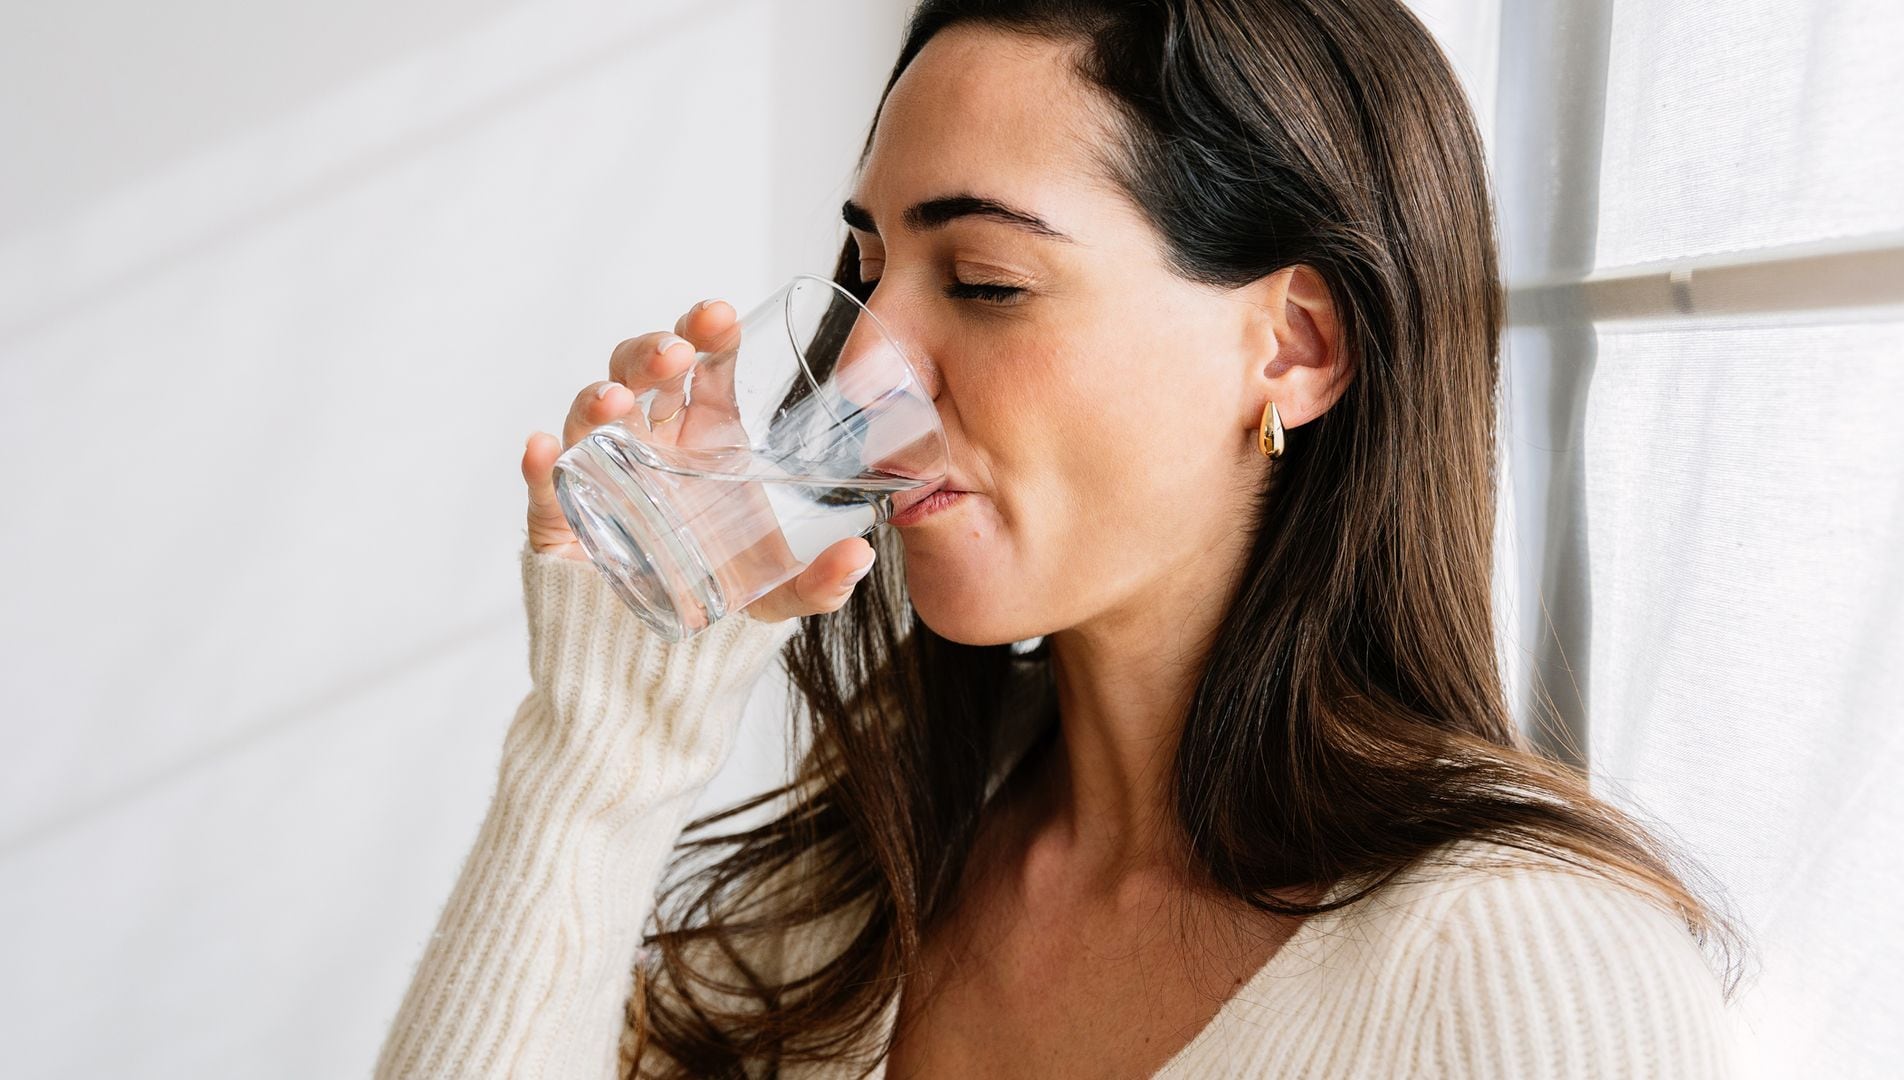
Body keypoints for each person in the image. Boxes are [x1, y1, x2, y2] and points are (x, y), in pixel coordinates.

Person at [375, 1, 1750, 1077]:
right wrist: (605, 733)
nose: (858, 375)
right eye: (868, 272)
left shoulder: (1527, 975)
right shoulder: (857, 901)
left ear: (1297, 346)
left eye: (986, 281)